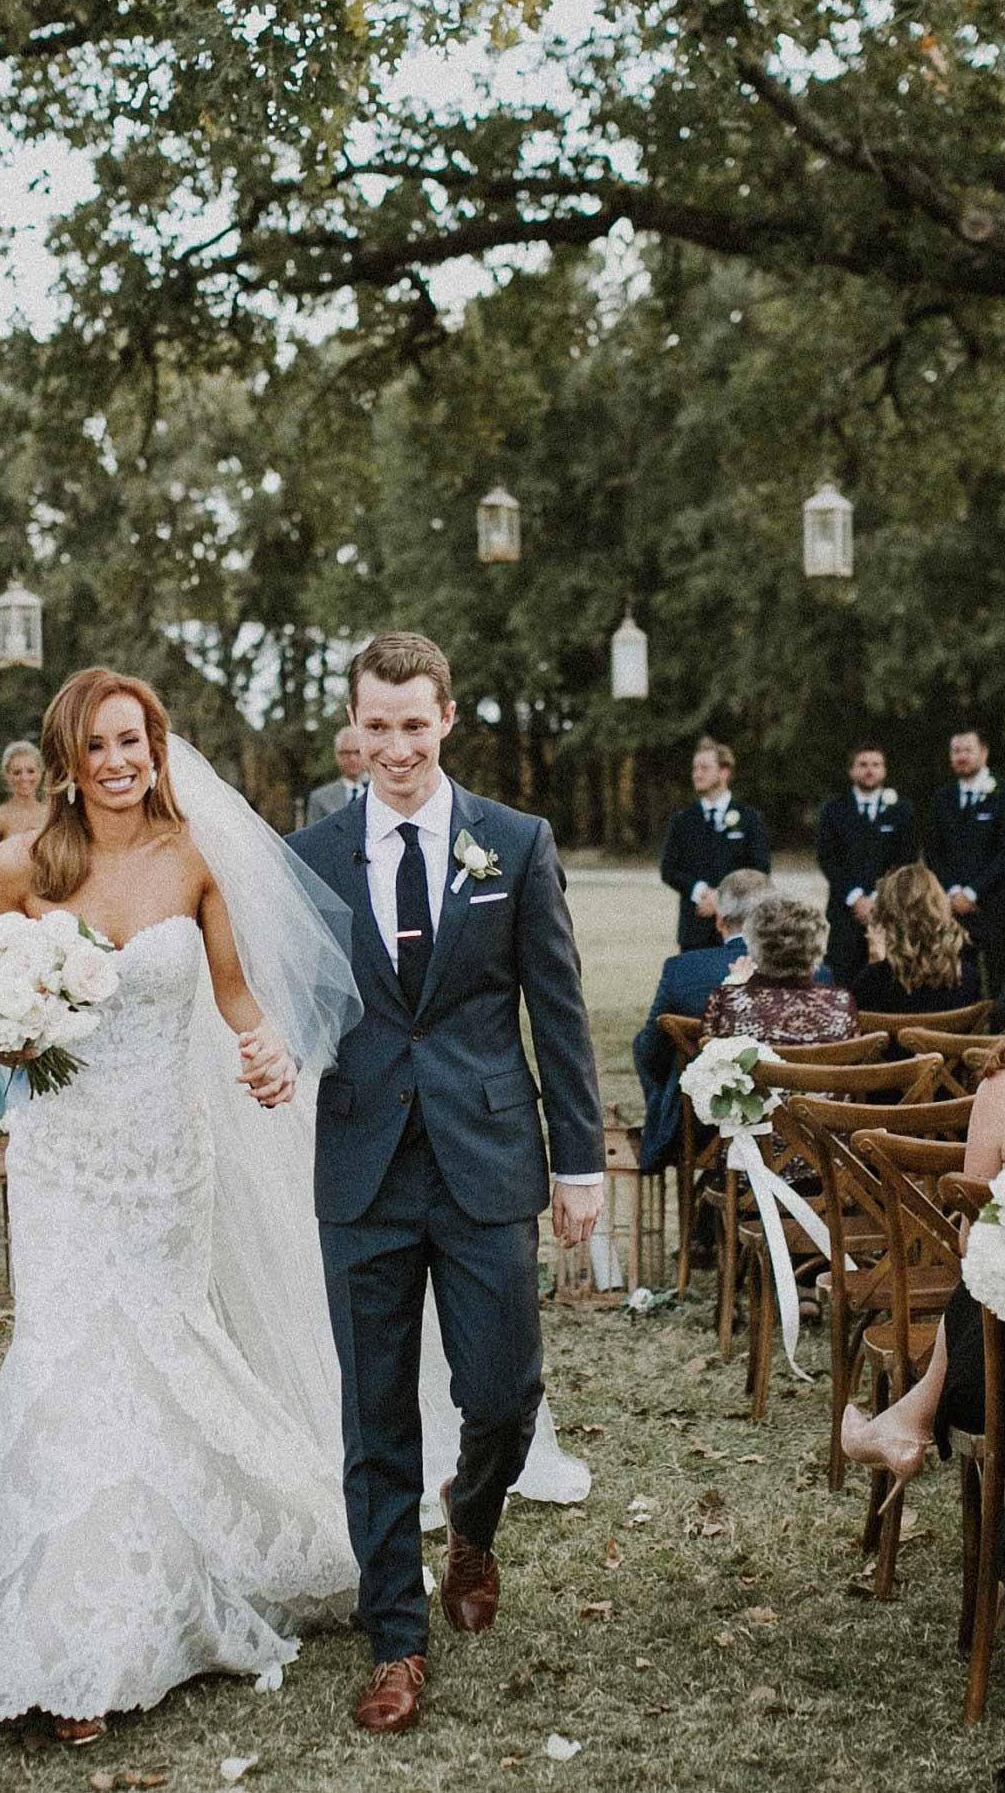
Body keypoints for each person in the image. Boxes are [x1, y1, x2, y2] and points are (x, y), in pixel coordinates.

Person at [0, 668, 359, 1742]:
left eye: (135, 741)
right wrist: (1, 1027)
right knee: (69, 1358)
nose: (119, 762)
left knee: (161, 1348)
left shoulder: (194, 856)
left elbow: (237, 997)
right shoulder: (22, 865)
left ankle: (181, 1570)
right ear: (66, 761)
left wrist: (267, 1052)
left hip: (167, 1159)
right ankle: (75, 1628)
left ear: (157, 749)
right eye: (99, 745)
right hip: (63, 1159)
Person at [289, 631, 606, 1735]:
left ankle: (472, 1524)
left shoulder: (514, 843)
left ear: (448, 720)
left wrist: (579, 1160)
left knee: (505, 1392)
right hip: (363, 1167)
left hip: (487, 1159)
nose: (396, 747)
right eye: (376, 726)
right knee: (374, 1414)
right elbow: (290, 1001)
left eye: (414, 725)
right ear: (353, 724)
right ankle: (396, 1638)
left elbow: (558, 1009)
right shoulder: (309, 856)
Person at [839, 1019, 1005, 1788]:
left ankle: (908, 1419)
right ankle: (908, 1419)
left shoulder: (1004, 1086)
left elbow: (966, 1242)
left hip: (1000, 1371)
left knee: (982, 1285)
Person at [632, 868, 772, 1171]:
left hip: (702, 1127)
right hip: (791, 1127)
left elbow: (650, 1052)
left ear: (719, 920)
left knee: (641, 1045)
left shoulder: (682, 971)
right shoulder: (814, 973)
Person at [925, 727, 1005, 996]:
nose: (961, 756)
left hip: (996, 908)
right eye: (955, 751)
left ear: (983, 753)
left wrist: (972, 892)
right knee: (954, 986)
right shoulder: (942, 798)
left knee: (1003, 989)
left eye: (967, 750)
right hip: (951, 910)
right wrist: (953, 891)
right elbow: (933, 852)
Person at [815, 743, 918, 987]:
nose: (869, 770)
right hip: (845, 910)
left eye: (875, 765)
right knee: (843, 979)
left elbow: (906, 859)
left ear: (884, 770)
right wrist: (855, 898)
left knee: (887, 979)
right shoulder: (833, 809)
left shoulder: (901, 810)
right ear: (851, 771)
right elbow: (827, 858)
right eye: (862, 765)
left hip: (889, 910)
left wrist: (878, 898)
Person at [658, 737, 771, 951]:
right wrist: (701, 891)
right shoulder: (682, 820)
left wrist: (721, 898)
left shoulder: (750, 818)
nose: (697, 774)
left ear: (724, 772)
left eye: (704, 768)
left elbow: (760, 869)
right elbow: (669, 870)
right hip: (694, 931)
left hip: (739, 930)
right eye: (694, 768)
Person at [701, 895, 858, 1046]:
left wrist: (736, 988)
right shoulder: (841, 1002)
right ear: (818, 948)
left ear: (753, 945)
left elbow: (710, 1056)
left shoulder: (726, 1000)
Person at [850, 863, 980, 1021]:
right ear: (938, 912)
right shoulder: (967, 979)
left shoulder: (871, 983)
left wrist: (874, 965)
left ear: (887, 916)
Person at [0, 740, 47, 879]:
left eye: (30, 771)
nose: (24, 778)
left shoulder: (51, 814)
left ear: (40, 773)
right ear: (7, 775)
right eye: (17, 772)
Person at [306, 725, 368, 824]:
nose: (352, 759)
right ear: (337, 755)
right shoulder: (320, 798)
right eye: (346, 753)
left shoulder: (383, 793)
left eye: (358, 752)